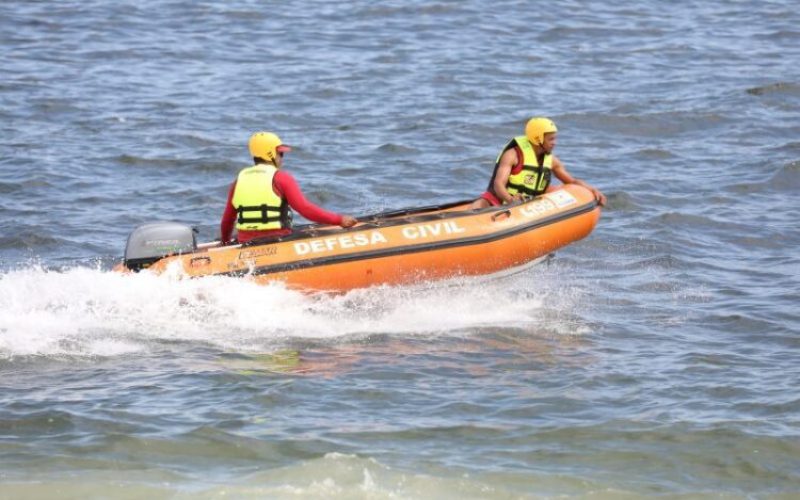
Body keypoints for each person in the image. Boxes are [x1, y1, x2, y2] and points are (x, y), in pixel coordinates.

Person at [220, 131, 357, 244]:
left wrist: (225, 242)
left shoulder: (238, 181)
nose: (282, 158)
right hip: (276, 240)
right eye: (280, 153)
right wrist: (339, 220)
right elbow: (305, 209)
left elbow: (227, 220)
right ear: (270, 154)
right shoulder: (281, 178)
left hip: (246, 242)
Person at [470, 117, 606, 209]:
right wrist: (511, 200)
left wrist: (591, 190)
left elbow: (571, 181)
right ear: (537, 138)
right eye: (551, 139)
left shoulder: (551, 161)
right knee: (480, 205)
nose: (555, 143)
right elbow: (498, 184)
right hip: (500, 200)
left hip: (527, 205)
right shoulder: (512, 155)